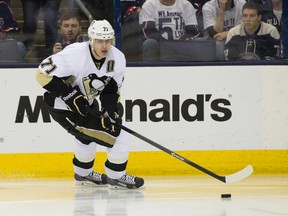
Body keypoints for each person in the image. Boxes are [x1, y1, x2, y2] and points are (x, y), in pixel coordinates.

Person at [35, 19, 144, 189]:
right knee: (119, 134)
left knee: (86, 138)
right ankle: (116, 176)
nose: (104, 45)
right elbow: (41, 75)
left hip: (87, 102)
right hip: (62, 107)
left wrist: (110, 110)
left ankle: (83, 173)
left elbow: (111, 89)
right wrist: (69, 94)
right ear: (91, 40)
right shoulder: (75, 54)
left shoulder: (117, 58)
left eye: (108, 40)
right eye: (100, 40)